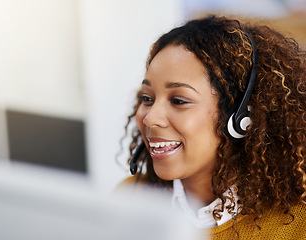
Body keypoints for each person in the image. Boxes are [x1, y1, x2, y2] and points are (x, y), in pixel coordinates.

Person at [121, 15, 306, 239]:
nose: (150, 118)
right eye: (147, 98)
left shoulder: (297, 223)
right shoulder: (128, 200)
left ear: (240, 119)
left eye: (178, 101)